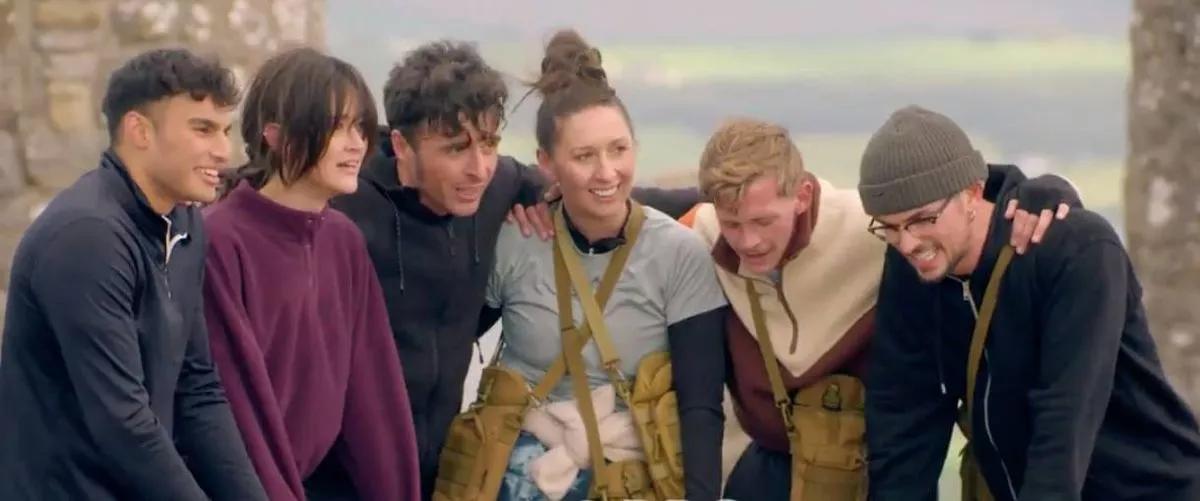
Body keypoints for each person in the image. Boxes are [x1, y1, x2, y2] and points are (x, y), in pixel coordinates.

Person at [329, 40, 703, 499]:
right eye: (455, 149)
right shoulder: (345, 210)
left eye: (489, 143)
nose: (479, 168)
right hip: (341, 476)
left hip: (442, 471)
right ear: (402, 145)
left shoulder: (501, 186)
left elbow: (603, 196)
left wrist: (718, 201)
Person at [676, 117, 1080, 499]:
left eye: (763, 221)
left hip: (872, 467)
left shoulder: (877, 229)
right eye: (734, 224)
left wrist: (1043, 192)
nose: (747, 241)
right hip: (769, 467)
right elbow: (628, 207)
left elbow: (953, 196)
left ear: (801, 196)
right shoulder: (704, 231)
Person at [860, 105, 1200, 501]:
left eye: (923, 219)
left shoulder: (1074, 251)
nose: (908, 242)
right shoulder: (913, 266)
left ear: (971, 193)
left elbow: (1063, 419)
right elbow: (903, 417)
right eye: (889, 227)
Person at [469, 29, 727, 501]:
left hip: (631, 476)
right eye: (584, 156)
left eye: (619, 149)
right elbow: (442, 343)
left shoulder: (679, 254)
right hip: (516, 476)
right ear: (547, 164)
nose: (607, 172)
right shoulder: (515, 241)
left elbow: (700, 404)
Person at [0, 48, 267, 501]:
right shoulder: (87, 237)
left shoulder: (184, 223)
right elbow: (123, 421)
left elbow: (196, 387)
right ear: (139, 130)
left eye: (225, 130)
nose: (224, 151)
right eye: (202, 129)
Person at [204, 48, 420, 501]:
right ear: (277, 135)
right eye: (337, 127)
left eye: (359, 126)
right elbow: (231, 412)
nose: (357, 143)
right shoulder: (221, 241)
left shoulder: (342, 240)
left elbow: (373, 397)